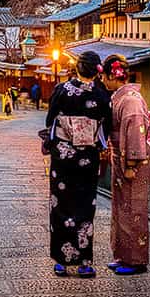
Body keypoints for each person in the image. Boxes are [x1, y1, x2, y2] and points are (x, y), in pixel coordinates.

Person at [45, 51, 111, 277]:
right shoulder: (102, 95)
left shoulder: (61, 90)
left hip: (63, 157)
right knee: (84, 206)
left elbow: (50, 120)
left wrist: (55, 141)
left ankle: (61, 262)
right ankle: (85, 262)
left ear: (77, 68)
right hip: (87, 158)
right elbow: (105, 127)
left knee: (60, 204)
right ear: (97, 71)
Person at [101, 54, 150, 275]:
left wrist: (131, 164)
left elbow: (136, 134)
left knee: (134, 208)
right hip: (121, 156)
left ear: (111, 75)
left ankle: (135, 260)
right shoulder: (121, 97)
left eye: (104, 77)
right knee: (121, 207)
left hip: (132, 161)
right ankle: (123, 255)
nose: (103, 81)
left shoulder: (131, 101)